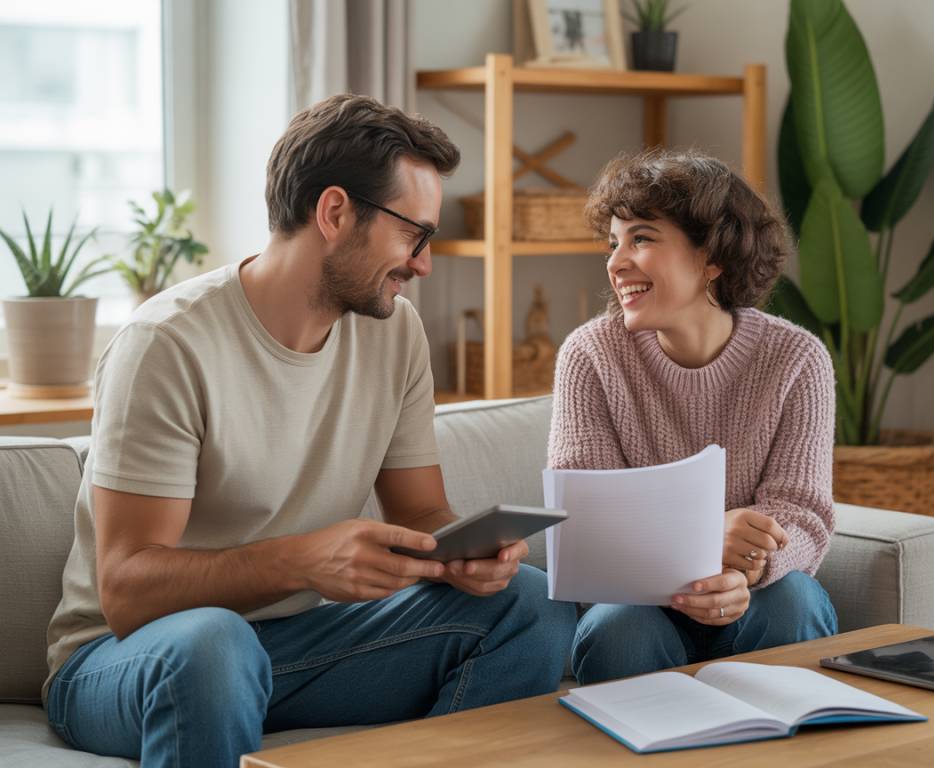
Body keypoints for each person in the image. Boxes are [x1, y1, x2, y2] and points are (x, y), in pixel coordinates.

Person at [44, 94, 577, 767]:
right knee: (214, 645)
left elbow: (421, 514)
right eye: (416, 234)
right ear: (334, 212)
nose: (423, 264)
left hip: (302, 644)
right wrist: (300, 561)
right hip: (131, 658)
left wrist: (464, 554)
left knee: (531, 602)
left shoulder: (395, 332)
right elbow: (125, 592)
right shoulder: (166, 344)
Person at [547, 148, 838, 685]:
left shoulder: (797, 359)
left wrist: (749, 570)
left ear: (713, 257)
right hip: (638, 604)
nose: (615, 262)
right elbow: (587, 524)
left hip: (754, 596)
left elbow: (803, 515)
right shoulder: (591, 355)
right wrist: (703, 542)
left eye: (641, 238)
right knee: (619, 625)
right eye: (613, 243)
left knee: (793, 599)